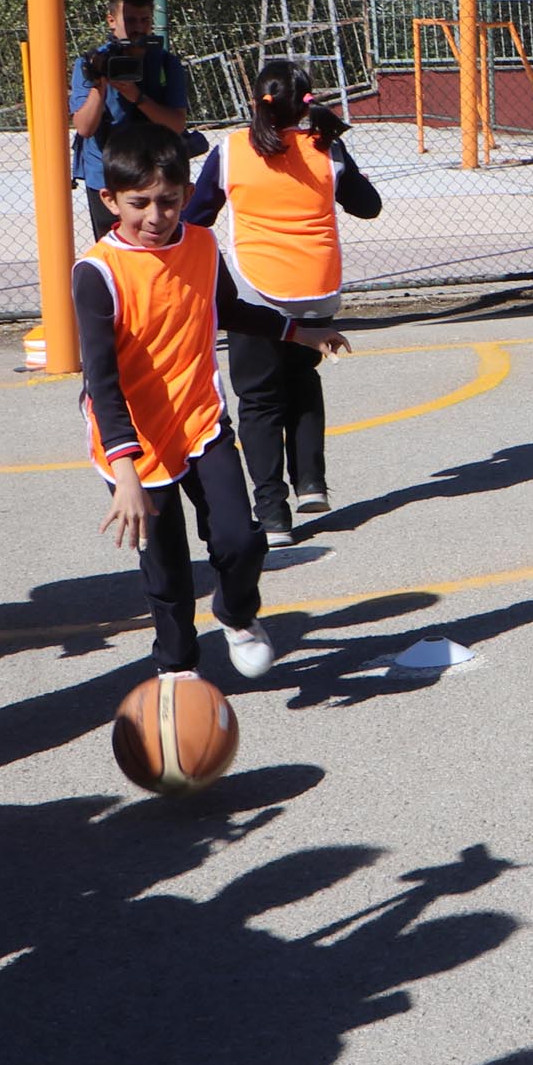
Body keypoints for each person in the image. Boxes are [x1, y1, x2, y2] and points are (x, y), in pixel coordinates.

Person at [79, 123, 350, 683]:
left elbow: (233, 311)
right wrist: (125, 473)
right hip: (135, 440)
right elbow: (102, 383)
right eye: (140, 203)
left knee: (241, 538)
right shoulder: (97, 272)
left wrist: (300, 333)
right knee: (168, 567)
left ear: (185, 196)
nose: (156, 216)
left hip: (199, 420)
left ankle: (236, 614)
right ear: (109, 200)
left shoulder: (201, 245)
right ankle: (177, 668)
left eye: (170, 202)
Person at [185, 60, 385, 546]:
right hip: (317, 289)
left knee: (258, 401)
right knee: (303, 381)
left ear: (257, 102)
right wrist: (334, 146)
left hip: (259, 292)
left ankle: (273, 514)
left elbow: (197, 216)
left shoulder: (231, 150)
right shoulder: (326, 148)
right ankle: (311, 482)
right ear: (306, 103)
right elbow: (368, 205)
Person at [67, 0, 193, 239]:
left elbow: (176, 124)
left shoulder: (167, 64)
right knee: (115, 253)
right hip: (105, 175)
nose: (138, 28)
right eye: (130, 20)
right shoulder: (91, 64)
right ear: (112, 21)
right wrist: (100, 85)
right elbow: (84, 127)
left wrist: (136, 96)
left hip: (157, 175)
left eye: (145, 20)